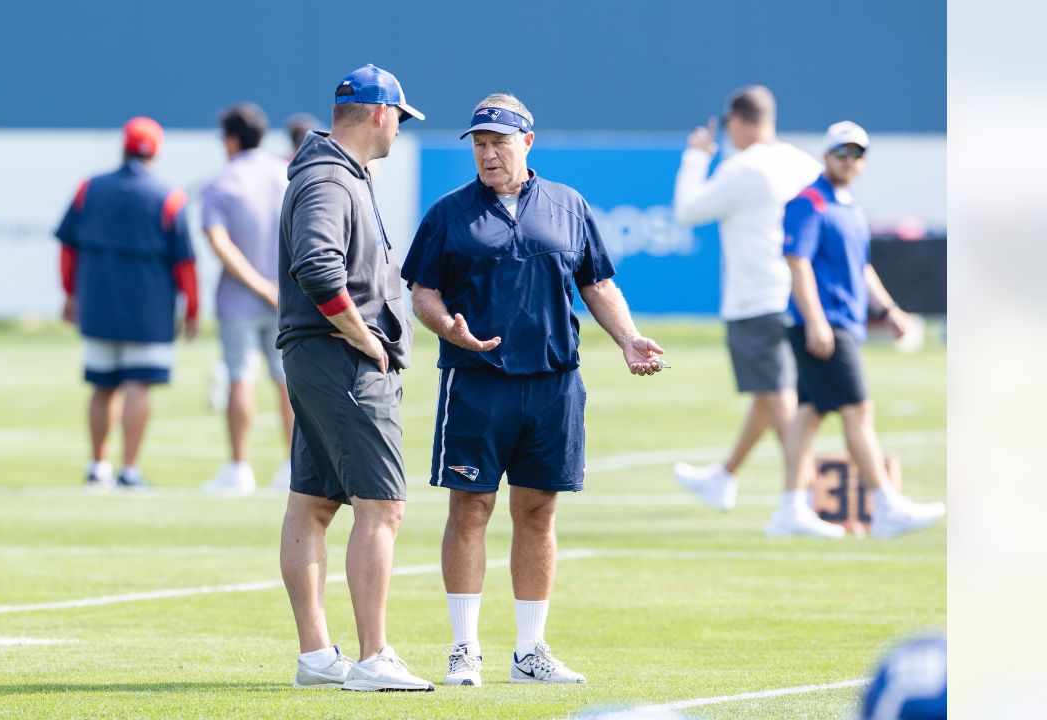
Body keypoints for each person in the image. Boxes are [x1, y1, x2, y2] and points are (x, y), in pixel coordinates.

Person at [401, 94, 666, 687]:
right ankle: (464, 649)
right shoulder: (449, 212)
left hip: (553, 384)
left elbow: (595, 283)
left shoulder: (569, 205)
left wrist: (627, 338)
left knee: (538, 511)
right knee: (470, 508)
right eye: (478, 144)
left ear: (527, 142)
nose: (488, 154)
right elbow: (423, 292)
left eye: (498, 142)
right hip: (476, 385)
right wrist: (448, 328)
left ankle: (529, 652)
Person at [276, 64, 433, 692]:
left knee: (313, 504)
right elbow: (317, 266)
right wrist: (368, 340)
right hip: (339, 358)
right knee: (383, 507)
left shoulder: (336, 174)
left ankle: (317, 657)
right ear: (379, 114)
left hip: (322, 358)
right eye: (400, 115)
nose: (400, 128)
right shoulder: (329, 178)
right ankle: (372, 658)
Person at [779, 121, 946, 539]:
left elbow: (862, 267)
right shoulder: (809, 202)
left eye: (856, 154)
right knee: (858, 410)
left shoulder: (849, 208)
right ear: (826, 155)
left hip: (842, 321)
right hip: (825, 324)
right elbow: (797, 261)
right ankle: (886, 504)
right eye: (841, 153)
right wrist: (815, 319)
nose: (848, 161)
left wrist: (888, 309)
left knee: (810, 414)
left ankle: (790, 508)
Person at [669, 86, 823, 520]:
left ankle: (805, 501)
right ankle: (724, 477)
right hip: (797, 296)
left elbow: (688, 210)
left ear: (738, 120)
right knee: (768, 395)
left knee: (781, 404)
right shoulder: (804, 163)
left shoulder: (744, 167)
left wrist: (697, 155)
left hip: (757, 299)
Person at [55, 117, 199, 489]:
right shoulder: (169, 197)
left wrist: (70, 294)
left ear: (123, 146)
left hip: (98, 302)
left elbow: (68, 249)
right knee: (138, 385)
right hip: (149, 310)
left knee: (102, 385)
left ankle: (97, 466)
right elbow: (185, 263)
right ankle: (129, 470)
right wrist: (193, 310)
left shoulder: (90, 188)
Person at [199, 103, 293, 495]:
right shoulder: (284, 176)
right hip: (285, 297)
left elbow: (220, 244)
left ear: (232, 139)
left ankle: (239, 467)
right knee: (287, 381)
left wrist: (256, 284)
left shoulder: (222, 182)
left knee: (240, 376)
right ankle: (293, 466)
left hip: (240, 297)